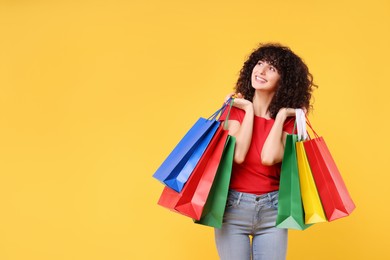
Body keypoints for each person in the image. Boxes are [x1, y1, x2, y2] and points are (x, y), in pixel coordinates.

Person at [215, 43, 316, 260]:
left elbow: (269, 158)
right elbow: (238, 155)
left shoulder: (290, 122)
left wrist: (280, 117)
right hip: (232, 209)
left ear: (284, 80)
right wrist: (249, 110)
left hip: (273, 211)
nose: (260, 71)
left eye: (271, 68)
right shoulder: (235, 112)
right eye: (259, 63)